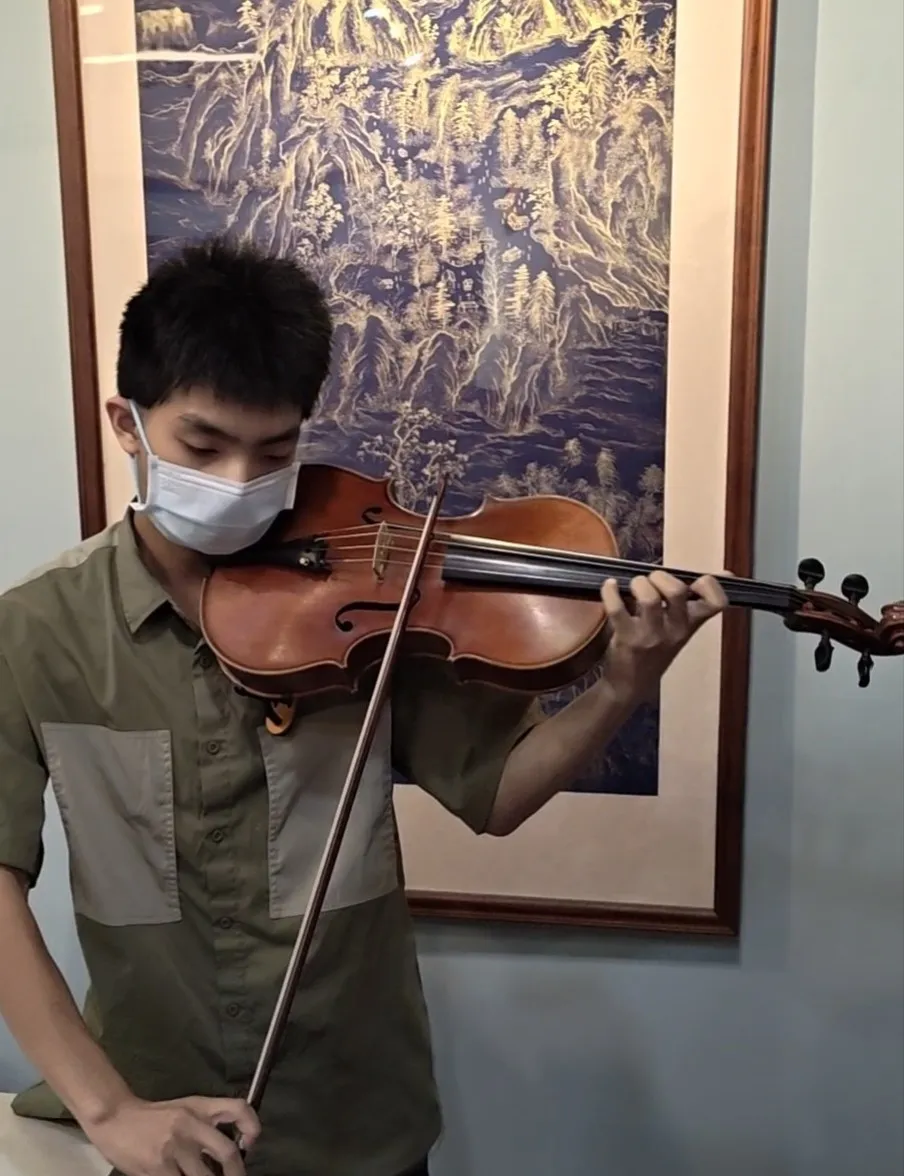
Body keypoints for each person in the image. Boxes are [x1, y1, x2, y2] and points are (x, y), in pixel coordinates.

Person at [0, 237, 727, 1176]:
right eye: (202, 447)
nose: (238, 483)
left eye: (275, 451)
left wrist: (626, 685)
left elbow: (500, 794)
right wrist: (108, 1111)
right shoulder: (33, 630)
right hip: (150, 1112)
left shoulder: (371, 595)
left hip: (358, 1117)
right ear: (126, 424)